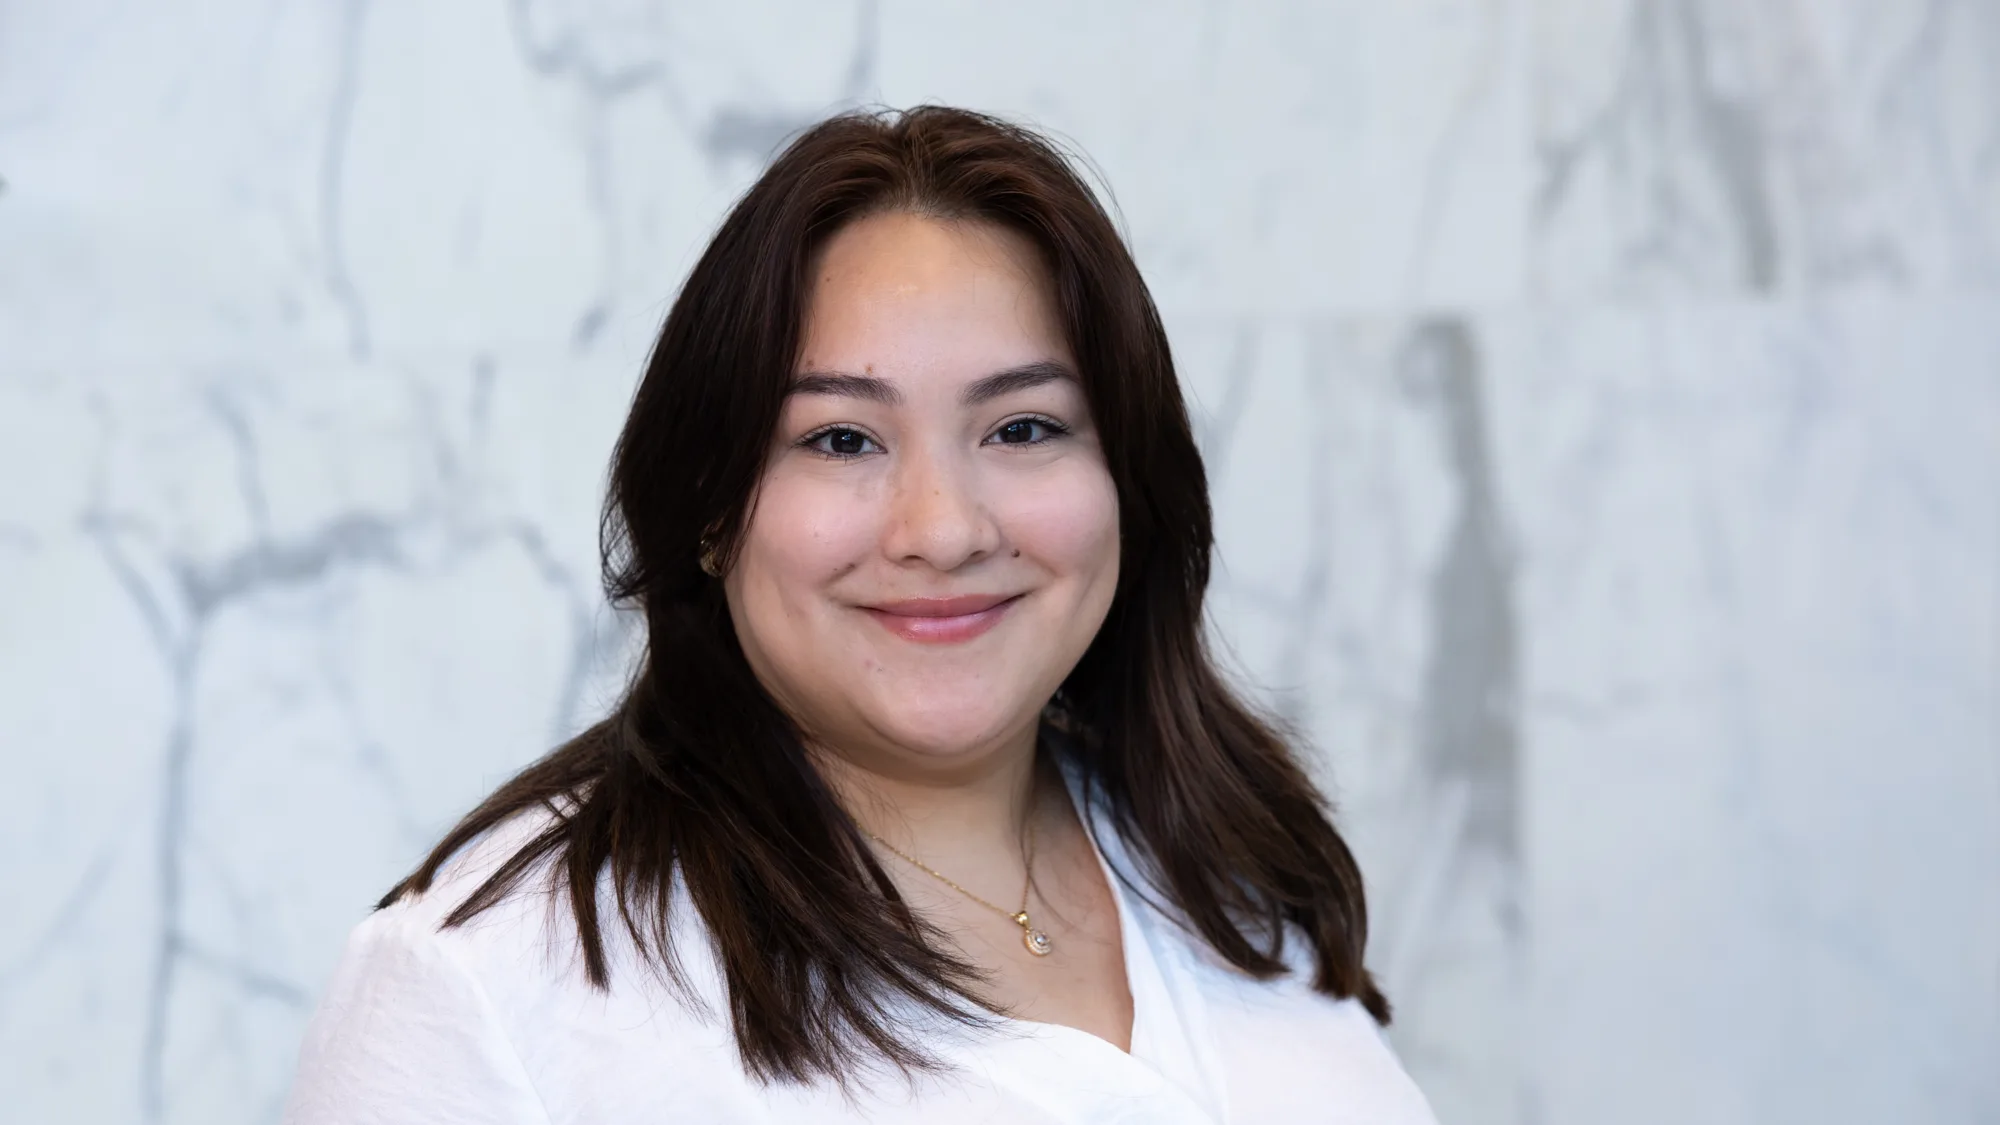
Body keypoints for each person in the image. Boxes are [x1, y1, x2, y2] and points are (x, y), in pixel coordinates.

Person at [281, 105, 1439, 1124]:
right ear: (708, 507)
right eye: (840, 439)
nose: (942, 528)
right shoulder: (491, 985)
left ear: (1127, 481)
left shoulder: (1220, 863)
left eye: (1022, 428)